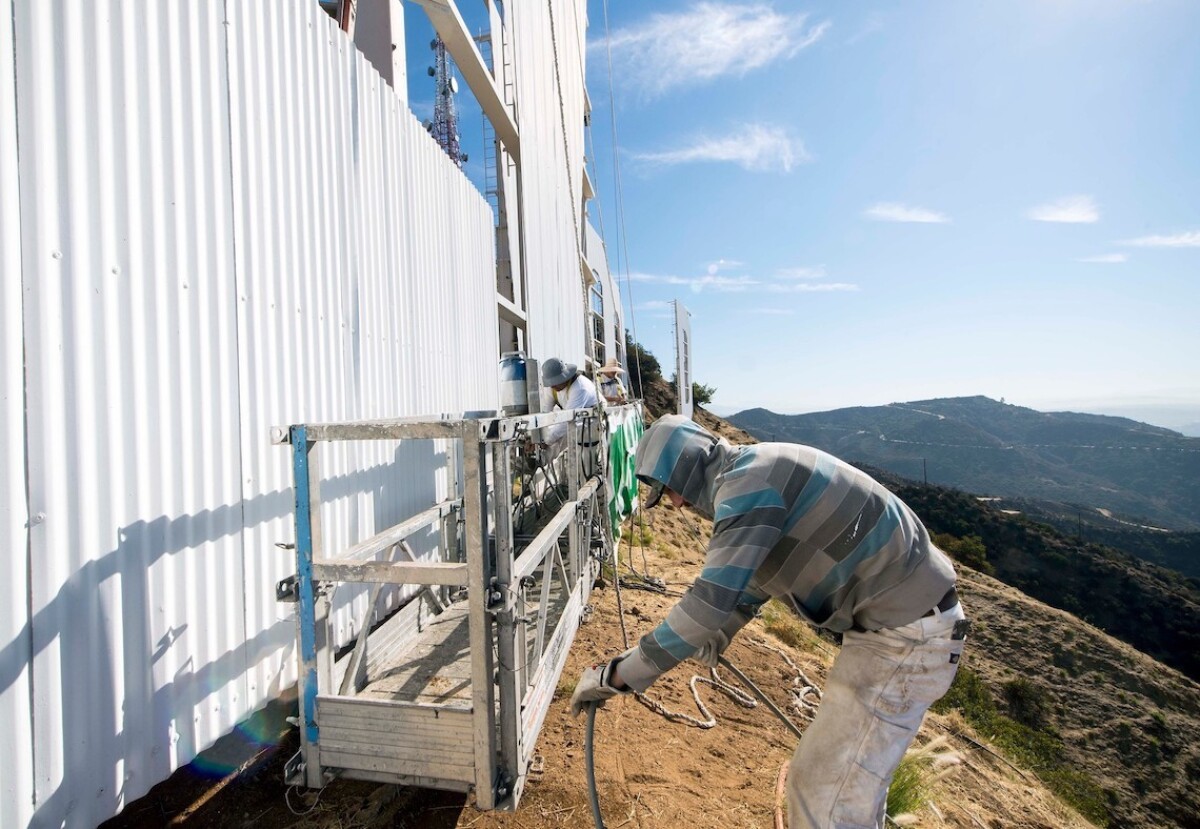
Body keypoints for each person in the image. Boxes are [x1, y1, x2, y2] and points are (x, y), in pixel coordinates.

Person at [570, 415, 968, 829]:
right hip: (902, 629)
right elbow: (757, 579)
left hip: (907, 637)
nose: (676, 503)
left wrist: (617, 675)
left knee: (823, 793)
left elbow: (706, 604)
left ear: (686, 466)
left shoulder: (748, 486)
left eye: (668, 489)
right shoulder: (753, 471)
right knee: (848, 790)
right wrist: (722, 630)